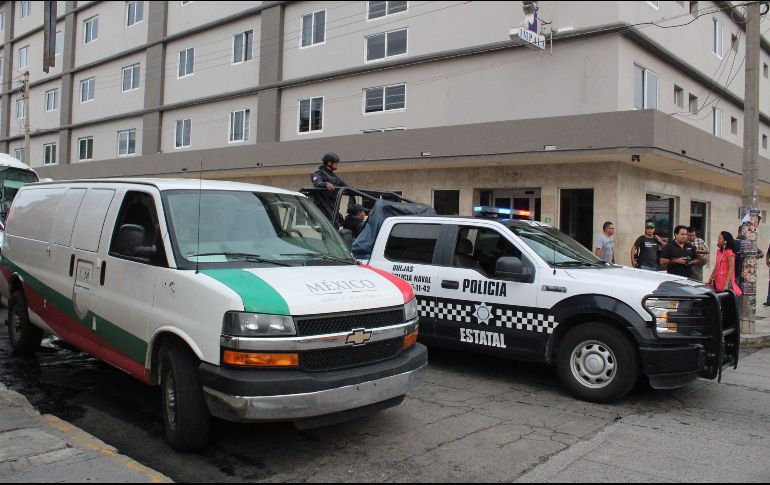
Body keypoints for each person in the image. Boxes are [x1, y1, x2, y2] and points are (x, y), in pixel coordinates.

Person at [310, 152, 347, 226]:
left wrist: (355, 190)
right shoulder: (319, 173)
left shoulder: (333, 175)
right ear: (329, 163)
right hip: (324, 208)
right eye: (335, 162)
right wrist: (326, 184)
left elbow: (345, 185)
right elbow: (317, 183)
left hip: (333, 208)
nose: (336, 164)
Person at [708, 231, 743, 296]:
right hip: (718, 280)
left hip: (725, 281)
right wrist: (710, 279)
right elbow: (716, 266)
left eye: (720, 238)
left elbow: (731, 269)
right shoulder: (719, 251)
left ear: (725, 241)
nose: (718, 240)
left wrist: (726, 284)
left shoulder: (730, 252)